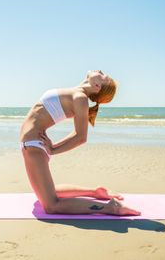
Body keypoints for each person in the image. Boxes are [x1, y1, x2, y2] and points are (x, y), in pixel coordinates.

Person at [19, 70, 141, 216]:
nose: (101, 72)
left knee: (51, 206)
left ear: (97, 86)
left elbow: (81, 136)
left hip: (33, 146)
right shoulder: (77, 93)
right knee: (47, 192)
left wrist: (53, 149)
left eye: (104, 76)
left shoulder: (80, 98)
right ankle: (94, 192)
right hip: (33, 145)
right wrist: (51, 148)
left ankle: (111, 208)